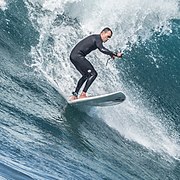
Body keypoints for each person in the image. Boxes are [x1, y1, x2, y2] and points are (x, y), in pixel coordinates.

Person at [70, 27, 123, 100]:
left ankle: (75, 95)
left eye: (109, 38)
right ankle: (83, 94)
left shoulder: (95, 38)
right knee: (93, 74)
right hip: (77, 56)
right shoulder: (98, 38)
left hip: (73, 56)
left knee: (86, 75)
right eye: (108, 36)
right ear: (102, 33)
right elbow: (102, 49)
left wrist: (110, 54)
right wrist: (115, 54)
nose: (108, 39)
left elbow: (102, 49)